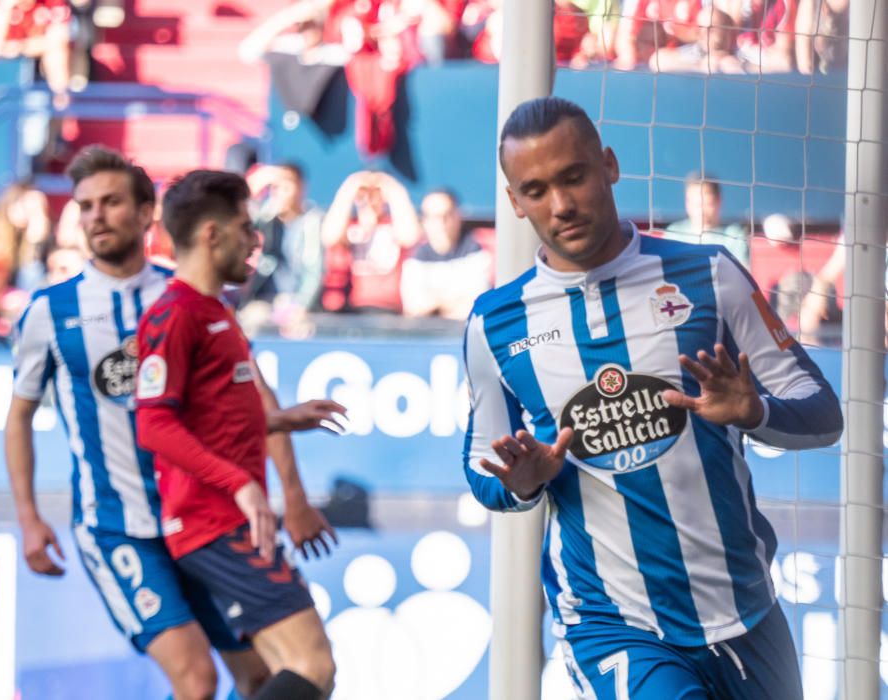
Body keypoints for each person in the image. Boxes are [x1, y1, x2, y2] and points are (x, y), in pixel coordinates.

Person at [463, 96, 843, 699]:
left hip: (744, 610)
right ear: (513, 202)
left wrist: (756, 412)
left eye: (573, 176)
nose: (560, 205)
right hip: (613, 624)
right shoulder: (495, 324)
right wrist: (522, 480)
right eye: (535, 190)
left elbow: (824, 415)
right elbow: (481, 466)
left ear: (609, 166)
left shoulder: (711, 276)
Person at [4, 146, 340, 700]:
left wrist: (293, 491)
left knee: (258, 676)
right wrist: (28, 515)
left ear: (144, 216)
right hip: (118, 525)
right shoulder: (51, 311)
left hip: (198, 519)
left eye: (111, 202)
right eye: (86, 206)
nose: (96, 217)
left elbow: (249, 397)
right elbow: (20, 417)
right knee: (198, 679)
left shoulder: (188, 295)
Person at [135, 170, 339, 700]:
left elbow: (210, 420)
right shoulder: (174, 314)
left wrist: (280, 419)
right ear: (210, 234)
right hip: (217, 524)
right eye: (246, 226)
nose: (257, 238)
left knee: (265, 679)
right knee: (312, 665)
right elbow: (153, 423)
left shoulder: (214, 310)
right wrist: (242, 484)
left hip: (226, 522)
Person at [320, 169, 421, 313]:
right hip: (351, 308)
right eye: (364, 193)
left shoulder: (394, 225)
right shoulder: (348, 226)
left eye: (376, 193)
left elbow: (410, 237)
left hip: (389, 309)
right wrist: (348, 190)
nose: (369, 199)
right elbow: (329, 237)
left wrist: (395, 190)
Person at [238, 163, 325, 326]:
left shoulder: (312, 220)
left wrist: (301, 306)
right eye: (275, 187)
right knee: (248, 322)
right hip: (266, 300)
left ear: (300, 187)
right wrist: (253, 192)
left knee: (300, 328)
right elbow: (240, 225)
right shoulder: (267, 217)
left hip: (297, 302)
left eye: (287, 185)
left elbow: (313, 272)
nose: (280, 193)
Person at [400, 188, 491, 321]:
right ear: (424, 221)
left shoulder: (477, 253)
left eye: (446, 215)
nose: (441, 223)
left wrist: (435, 306)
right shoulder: (416, 259)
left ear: (458, 216)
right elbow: (413, 307)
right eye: (434, 217)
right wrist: (454, 304)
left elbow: (478, 305)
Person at [664, 173, 750, 267]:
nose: (700, 210)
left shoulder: (734, 236)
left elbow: (742, 277)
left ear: (718, 201)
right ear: (687, 203)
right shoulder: (674, 234)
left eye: (706, 203)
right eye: (695, 204)